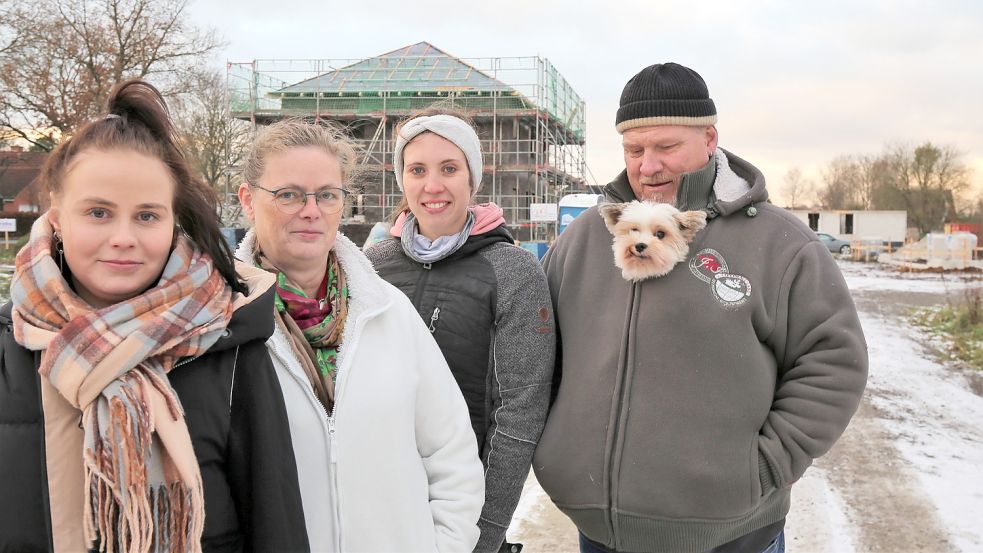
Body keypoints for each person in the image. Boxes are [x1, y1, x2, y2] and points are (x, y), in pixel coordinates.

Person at [533, 62, 869, 553]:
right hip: (599, 532)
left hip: (729, 536)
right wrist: (558, 450)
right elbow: (541, 354)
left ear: (710, 140)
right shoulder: (585, 237)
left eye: (667, 147)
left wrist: (764, 467)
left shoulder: (779, 242)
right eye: (634, 149)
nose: (648, 166)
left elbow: (833, 361)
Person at [0, 79, 308, 552]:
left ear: (172, 222)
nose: (124, 237)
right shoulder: (9, 348)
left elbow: (274, 522)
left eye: (146, 216)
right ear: (58, 219)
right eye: (99, 213)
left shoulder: (229, 348)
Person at [235, 117, 485, 552]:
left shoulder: (387, 311)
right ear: (247, 200)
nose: (311, 211)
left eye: (327, 195)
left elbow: (452, 454)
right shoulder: (220, 326)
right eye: (289, 194)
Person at [364, 107, 556, 553]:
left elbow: (520, 412)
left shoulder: (512, 271)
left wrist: (482, 532)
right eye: (418, 169)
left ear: (472, 179)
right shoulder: (371, 267)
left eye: (449, 168)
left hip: (463, 514)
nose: (432, 185)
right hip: (374, 508)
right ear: (402, 179)